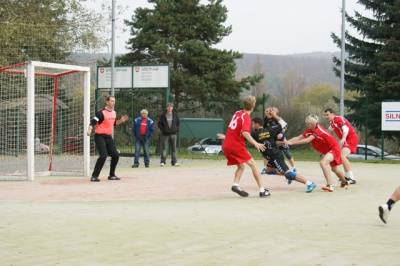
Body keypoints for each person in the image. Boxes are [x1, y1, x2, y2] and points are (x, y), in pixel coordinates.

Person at [217, 96, 270, 198]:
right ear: (253, 106)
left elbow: (234, 129)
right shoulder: (246, 117)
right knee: (253, 164)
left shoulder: (237, 113)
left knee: (241, 166)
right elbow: (245, 132)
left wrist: (226, 137)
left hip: (226, 144)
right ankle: (262, 190)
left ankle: (236, 185)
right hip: (235, 145)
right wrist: (256, 143)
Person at [251, 117, 316, 193]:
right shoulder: (266, 131)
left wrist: (275, 115)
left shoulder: (258, 133)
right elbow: (276, 138)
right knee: (269, 170)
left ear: (257, 124)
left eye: (253, 124)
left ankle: (309, 183)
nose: (252, 125)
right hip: (271, 157)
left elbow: (283, 125)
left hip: (276, 156)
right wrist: (281, 142)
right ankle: (288, 172)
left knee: (288, 174)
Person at [285, 115, 349, 192]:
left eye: (311, 124)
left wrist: (292, 143)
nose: (309, 125)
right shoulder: (309, 130)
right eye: (307, 124)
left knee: (323, 163)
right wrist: (287, 142)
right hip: (329, 150)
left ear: (316, 123)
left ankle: (330, 186)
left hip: (334, 148)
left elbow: (307, 140)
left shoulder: (318, 131)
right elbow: (299, 137)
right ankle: (345, 182)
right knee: (335, 169)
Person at [87, 96, 129, 182]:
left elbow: (114, 123)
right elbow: (93, 121)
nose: (113, 103)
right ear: (107, 102)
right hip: (99, 136)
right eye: (112, 101)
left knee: (115, 155)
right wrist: (90, 129)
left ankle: (112, 175)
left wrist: (121, 120)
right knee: (103, 156)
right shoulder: (101, 113)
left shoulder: (114, 112)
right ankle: (94, 176)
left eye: (114, 101)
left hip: (108, 137)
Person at [323, 108, 358, 184]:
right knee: (341, 156)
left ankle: (351, 178)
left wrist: (343, 138)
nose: (326, 116)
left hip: (351, 138)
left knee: (342, 156)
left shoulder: (338, 118)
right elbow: (328, 131)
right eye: (325, 115)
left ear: (332, 114)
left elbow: (346, 128)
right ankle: (347, 176)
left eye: (327, 114)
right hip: (346, 139)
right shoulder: (332, 123)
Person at [261, 107, 295, 173]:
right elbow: (264, 130)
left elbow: (285, 126)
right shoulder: (265, 120)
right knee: (266, 153)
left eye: (270, 111)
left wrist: (281, 133)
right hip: (272, 139)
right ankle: (266, 168)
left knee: (286, 152)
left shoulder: (276, 118)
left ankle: (294, 168)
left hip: (280, 138)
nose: (268, 112)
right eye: (267, 111)